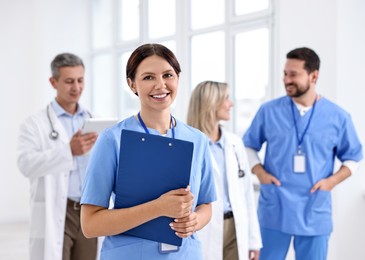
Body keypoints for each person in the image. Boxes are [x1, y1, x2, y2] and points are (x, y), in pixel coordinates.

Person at [80, 43, 217, 260]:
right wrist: (159, 208)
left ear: (178, 78)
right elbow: (90, 224)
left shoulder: (197, 139)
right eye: (148, 77)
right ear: (132, 84)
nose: (160, 85)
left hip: (185, 254)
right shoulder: (113, 139)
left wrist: (195, 221)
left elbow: (206, 204)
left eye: (168, 75)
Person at [242, 47, 363, 260]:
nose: (287, 79)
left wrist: (331, 182)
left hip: (314, 209)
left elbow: (353, 157)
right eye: (285, 73)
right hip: (275, 207)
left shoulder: (338, 117)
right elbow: (248, 146)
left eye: (294, 74)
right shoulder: (269, 111)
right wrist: (260, 172)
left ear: (314, 75)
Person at [17, 53, 99, 260]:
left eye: (80, 80)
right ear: (53, 82)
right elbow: (26, 164)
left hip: (89, 209)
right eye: (69, 81)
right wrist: (68, 151)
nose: (76, 87)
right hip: (57, 210)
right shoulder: (34, 124)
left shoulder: (95, 120)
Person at [187, 81, 262, 260]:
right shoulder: (188, 144)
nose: (231, 104)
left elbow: (247, 196)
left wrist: (253, 241)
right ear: (211, 102)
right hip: (205, 227)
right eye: (226, 98)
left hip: (235, 225)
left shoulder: (235, 143)